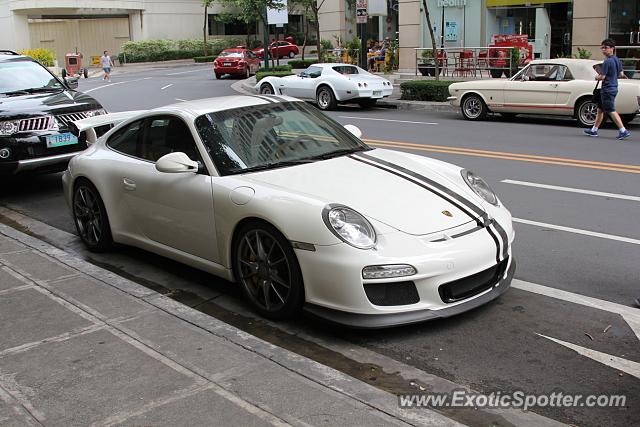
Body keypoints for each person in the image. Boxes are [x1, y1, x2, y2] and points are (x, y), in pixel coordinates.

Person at [583, 39, 631, 140]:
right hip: (613, 87)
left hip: (607, 89)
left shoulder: (607, 61)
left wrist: (597, 76)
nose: (603, 50)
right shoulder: (617, 60)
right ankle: (594, 130)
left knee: (611, 110)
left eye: (606, 48)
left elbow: (602, 77)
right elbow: (621, 74)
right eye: (602, 48)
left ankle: (623, 130)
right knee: (600, 109)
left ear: (612, 48)